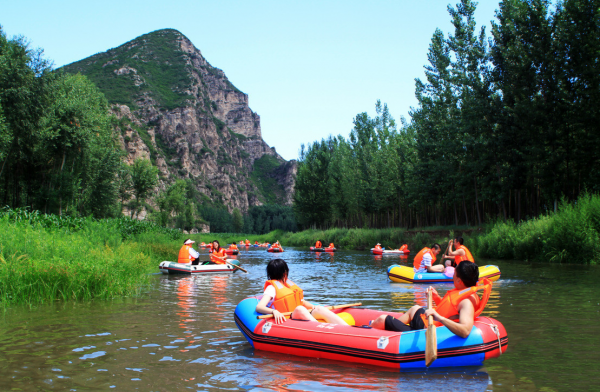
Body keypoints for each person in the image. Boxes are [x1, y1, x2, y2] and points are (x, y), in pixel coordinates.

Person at [370, 262, 492, 338]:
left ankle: (374, 330)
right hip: (427, 322)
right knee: (415, 309)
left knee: (382, 319)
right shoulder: (463, 290)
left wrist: (439, 318)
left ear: (460, 280)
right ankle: (392, 333)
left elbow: (465, 331)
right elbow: (451, 311)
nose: (452, 275)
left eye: (454, 273)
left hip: (428, 329)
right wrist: (436, 297)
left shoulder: (467, 302)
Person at [255, 259, 349, 325]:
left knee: (319, 309)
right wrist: (274, 311)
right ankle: (322, 330)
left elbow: (301, 301)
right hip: (289, 317)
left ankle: (347, 329)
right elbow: (259, 307)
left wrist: (314, 307)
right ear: (285, 272)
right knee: (300, 309)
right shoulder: (271, 288)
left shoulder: (287, 285)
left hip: (298, 314)